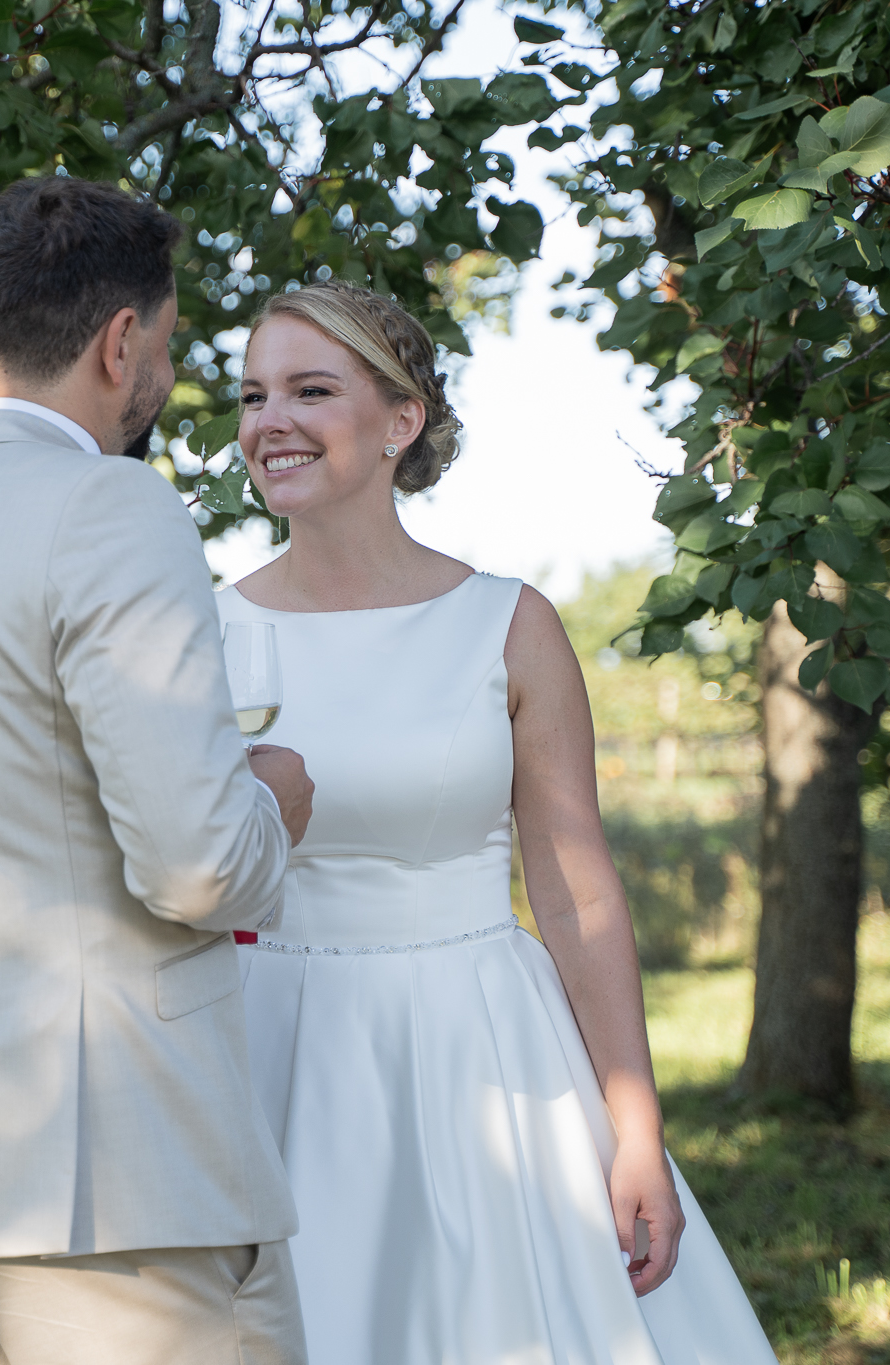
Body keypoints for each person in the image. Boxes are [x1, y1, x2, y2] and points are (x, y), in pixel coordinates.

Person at [0, 176, 318, 1365]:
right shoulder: (111, 507)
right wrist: (270, 805)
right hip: (119, 1195)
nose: (163, 373)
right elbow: (197, 868)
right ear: (120, 342)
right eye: (167, 345)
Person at [219, 280, 779, 1364]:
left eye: (309, 390)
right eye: (251, 395)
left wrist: (635, 1130)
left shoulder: (507, 624)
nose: (269, 420)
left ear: (401, 420)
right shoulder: (202, 632)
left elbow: (576, 893)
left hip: (476, 1038)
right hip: (268, 1047)